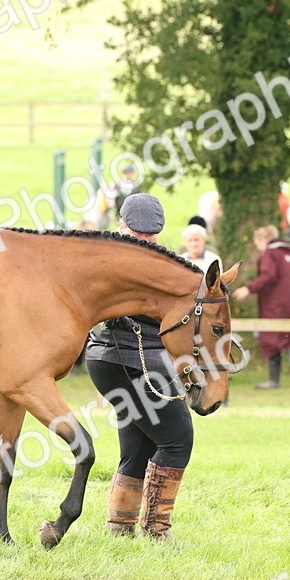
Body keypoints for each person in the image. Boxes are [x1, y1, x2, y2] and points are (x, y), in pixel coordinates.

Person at [85, 193, 194, 541]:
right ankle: (156, 530)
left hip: (117, 362)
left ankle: (120, 526)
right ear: (121, 226)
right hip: (128, 360)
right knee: (177, 440)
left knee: (140, 446)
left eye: (151, 237)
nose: (145, 241)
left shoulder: (166, 265)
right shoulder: (108, 263)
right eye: (138, 235)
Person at [231, 225, 290, 389]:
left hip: (278, 303)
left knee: (271, 337)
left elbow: (268, 276)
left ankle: (273, 380)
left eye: (256, 241)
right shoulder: (288, 252)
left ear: (262, 239)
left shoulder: (270, 254)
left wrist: (248, 289)